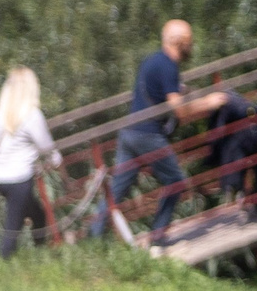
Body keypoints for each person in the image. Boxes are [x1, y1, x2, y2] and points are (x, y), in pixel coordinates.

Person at [92, 20, 225, 243]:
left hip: (130, 133)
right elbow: (179, 110)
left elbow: (161, 93)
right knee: (175, 181)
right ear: (179, 42)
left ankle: (92, 239)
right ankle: (158, 235)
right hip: (147, 135)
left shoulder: (153, 61)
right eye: (189, 40)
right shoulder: (169, 66)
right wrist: (208, 103)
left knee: (117, 189)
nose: (192, 45)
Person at [0, 67, 60, 255]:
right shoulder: (32, 115)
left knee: (38, 215)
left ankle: (40, 255)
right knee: (12, 231)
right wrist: (55, 160)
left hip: (0, 179)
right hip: (20, 181)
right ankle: (5, 265)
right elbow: (46, 147)